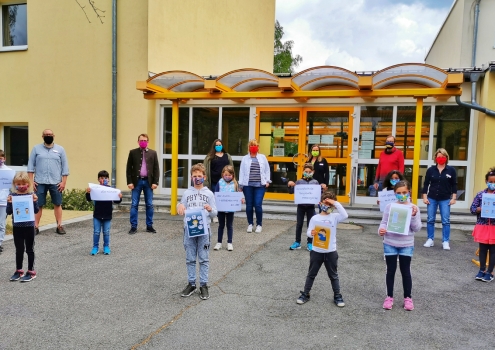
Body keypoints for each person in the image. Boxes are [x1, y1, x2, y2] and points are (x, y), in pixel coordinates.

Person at [296, 191, 348, 307]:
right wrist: (312, 233)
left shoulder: (335, 217)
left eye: (330, 205)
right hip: (317, 251)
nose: (327, 206)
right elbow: (309, 232)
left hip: (331, 251)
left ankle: (337, 295)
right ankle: (305, 293)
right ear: (320, 203)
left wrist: (335, 203)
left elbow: (345, 215)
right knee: (311, 274)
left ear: (333, 206)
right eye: (325, 203)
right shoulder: (315, 218)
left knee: (333, 275)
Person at [379, 180, 422, 311]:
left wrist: (413, 216)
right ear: (394, 193)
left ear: (409, 192)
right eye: (399, 193)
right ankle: (389, 297)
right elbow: (384, 222)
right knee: (390, 271)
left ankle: (408, 298)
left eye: (404, 192)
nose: (402, 195)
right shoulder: (389, 207)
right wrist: (381, 230)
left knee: (406, 271)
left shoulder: (414, 208)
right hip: (390, 243)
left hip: (406, 244)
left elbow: (417, 228)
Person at [177, 163, 217, 300]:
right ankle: (192, 283)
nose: (197, 178)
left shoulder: (209, 194)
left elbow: (215, 213)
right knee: (190, 258)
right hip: (189, 230)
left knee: (204, 258)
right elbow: (181, 207)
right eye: (195, 176)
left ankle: (204, 285)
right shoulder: (187, 193)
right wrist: (180, 206)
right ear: (191, 177)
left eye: (200, 176)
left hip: (204, 230)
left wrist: (210, 210)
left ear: (204, 177)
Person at [27, 129, 69, 235]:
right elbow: (30, 167)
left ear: (53, 136)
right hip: (39, 182)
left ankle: (59, 226)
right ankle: (35, 227)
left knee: (57, 203)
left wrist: (63, 182)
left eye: (50, 134)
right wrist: (31, 182)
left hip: (56, 182)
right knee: (38, 204)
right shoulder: (36, 149)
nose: (48, 136)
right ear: (42, 136)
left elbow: (65, 167)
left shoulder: (60, 149)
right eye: (46, 135)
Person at [6, 171, 39, 282]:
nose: (20, 186)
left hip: (29, 226)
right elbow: (9, 212)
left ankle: (31, 271)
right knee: (19, 249)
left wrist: (35, 202)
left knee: (29, 249)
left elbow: (36, 210)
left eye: (23, 184)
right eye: (18, 184)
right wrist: (9, 203)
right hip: (17, 227)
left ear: (28, 184)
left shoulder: (31, 195)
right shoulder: (12, 195)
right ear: (15, 184)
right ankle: (19, 270)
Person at [422, 148, 457, 250]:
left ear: (446, 158)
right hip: (432, 198)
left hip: (445, 199)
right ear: (435, 158)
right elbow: (425, 184)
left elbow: (454, 185)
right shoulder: (430, 170)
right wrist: (424, 196)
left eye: (442, 157)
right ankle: (430, 239)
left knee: (445, 221)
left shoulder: (451, 170)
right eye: (439, 157)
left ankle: (445, 241)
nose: (440, 158)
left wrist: (453, 198)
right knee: (430, 219)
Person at [126, 133, 160, 234]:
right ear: (138, 142)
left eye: (145, 140)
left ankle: (149, 226)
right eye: (141, 140)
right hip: (136, 182)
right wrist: (129, 182)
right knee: (134, 204)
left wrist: (155, 182)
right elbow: (128, 168)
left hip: (149, 182)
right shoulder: (133, 152)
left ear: (148, 142)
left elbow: (156, 168)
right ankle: (133, 226)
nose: (143, 142)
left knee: (149, 204)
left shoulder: (153, 153)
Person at [86, 170, 123, 256]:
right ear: (98, 179)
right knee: (96, 232)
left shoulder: (111, 190)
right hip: (97, 214)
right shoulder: (95, 189)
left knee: (106, 232)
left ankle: (106, 246)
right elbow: (89, 199)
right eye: (102, 178)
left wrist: (120, 197)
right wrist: (88, 193)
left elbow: (116, 201)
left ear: (108, 179)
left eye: (105, 178)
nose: (104, 180)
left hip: (107, 214)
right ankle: (95, 247)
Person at [239, 139, 271, 233]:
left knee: (257, 204)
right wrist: (240, 185)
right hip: (247, 185)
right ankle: (250, 224)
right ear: (249, 147)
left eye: (255, 145)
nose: (253, 147)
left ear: (258, 147)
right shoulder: (245, 158)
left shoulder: (262, 157)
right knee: (249, 205)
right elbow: (242, 171)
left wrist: (267, 181)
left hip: (260, 185)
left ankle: (259, 224)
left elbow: (267, 170)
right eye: (252, 145)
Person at [470, 168, 495, 282]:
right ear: (486, 181)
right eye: (490, 181)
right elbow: (472, 208)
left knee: (493, 250)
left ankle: (490, 272)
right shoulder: (480, 194)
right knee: (483, 249)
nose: (492, 184)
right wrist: (479, 209)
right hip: (482, 226)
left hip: (494, 227)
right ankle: (482, 270)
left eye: (494, 182)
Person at [287, 163, 319, 251]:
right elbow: (291, 192)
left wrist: (323, 189)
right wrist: (290, 185)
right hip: (300, 206)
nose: (308, 173)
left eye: (310, 171)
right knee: (299, 224)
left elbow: (319, 194)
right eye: (306, 171)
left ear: (313, 172)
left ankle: (310, 242)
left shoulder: (315, 182)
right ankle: (297, 242)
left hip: (311, 207)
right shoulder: (299, 182)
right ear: (303, 171)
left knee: (311, 225)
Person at [213, 165, 244, 251]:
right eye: (226, 175)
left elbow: (239, 195)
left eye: (229, 175)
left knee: (229, 226)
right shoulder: (219, 182)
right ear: (222, 174)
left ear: (233, 175)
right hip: (221, 209)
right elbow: (216, 193)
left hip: (230, 209)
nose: (227, 177)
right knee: (221, 226)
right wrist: (215, 198)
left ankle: (229, 243)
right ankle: (219, 242)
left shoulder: (235, 184)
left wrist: (241, 199)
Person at [203, 139, 233, 223]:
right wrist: (206, 182)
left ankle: (224, 214)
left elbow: (231, 168)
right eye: (217, 145)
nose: (218, 146)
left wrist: (233, 180)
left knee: (224, 199)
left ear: (222, 146)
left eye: (220, 145)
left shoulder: (227, 156)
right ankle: (215, 215)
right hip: (214, 181)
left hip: (225, 182)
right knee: (214, 199)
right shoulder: (209, 157)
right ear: (214, 146)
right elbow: (205, 169)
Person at [0, 150, 13, 254]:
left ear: (4, 159)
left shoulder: (9, 171)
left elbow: (13, 187)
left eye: (1, 158)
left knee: (1, 224)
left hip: (3, 202)